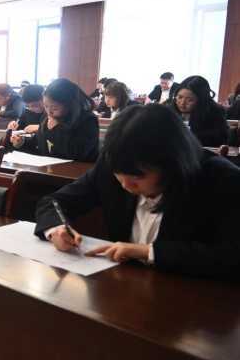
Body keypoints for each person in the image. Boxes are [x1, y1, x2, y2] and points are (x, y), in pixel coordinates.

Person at [34, 104, 240, 280]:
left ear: (172, 162)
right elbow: (53, 202)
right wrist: (56, 228)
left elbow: (233, 255)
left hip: (196, 297)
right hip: (124, 286)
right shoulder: (112, 166)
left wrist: (150, 252)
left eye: (138, 177)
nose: (125, 185)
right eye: (119, 175)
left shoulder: (223, 181)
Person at [11, 78, 99, 163]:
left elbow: (77, 153)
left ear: (69, 104)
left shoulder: (87, 119)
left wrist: (55, 129)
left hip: (77, 170)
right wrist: (21, 143)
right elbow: (38, 145)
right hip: (49, 169)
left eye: (54, 108)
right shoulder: (47, 117)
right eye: (45, 106)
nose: (49, 111)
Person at [166, 75, 228, 147]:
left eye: (189, 100)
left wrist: (189, 136)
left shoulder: (215, 111)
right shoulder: (169, 110)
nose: (182, 103)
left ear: (201, 100)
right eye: (180, 97)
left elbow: (221, 136)